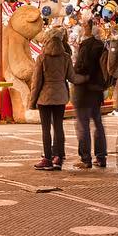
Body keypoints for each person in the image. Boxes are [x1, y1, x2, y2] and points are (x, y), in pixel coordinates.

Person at [30, 30, 74, 170]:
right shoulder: (66, 57)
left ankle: (47, 159)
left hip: (45, 98)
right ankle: (58, 158)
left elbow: (36, 82)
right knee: (58, 127)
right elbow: (72, 77)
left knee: (46, 129)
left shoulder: (42, 58)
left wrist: (32, 101)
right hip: (60, 97)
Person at [71, 22, 108, 169]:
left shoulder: (86, 46)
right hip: (97, 90)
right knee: (98, 123)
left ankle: (85, 158)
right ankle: (101, 157)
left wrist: (75, 72)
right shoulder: (102, 46)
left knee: (83, 125)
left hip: (84, 90)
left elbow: (81, 67)